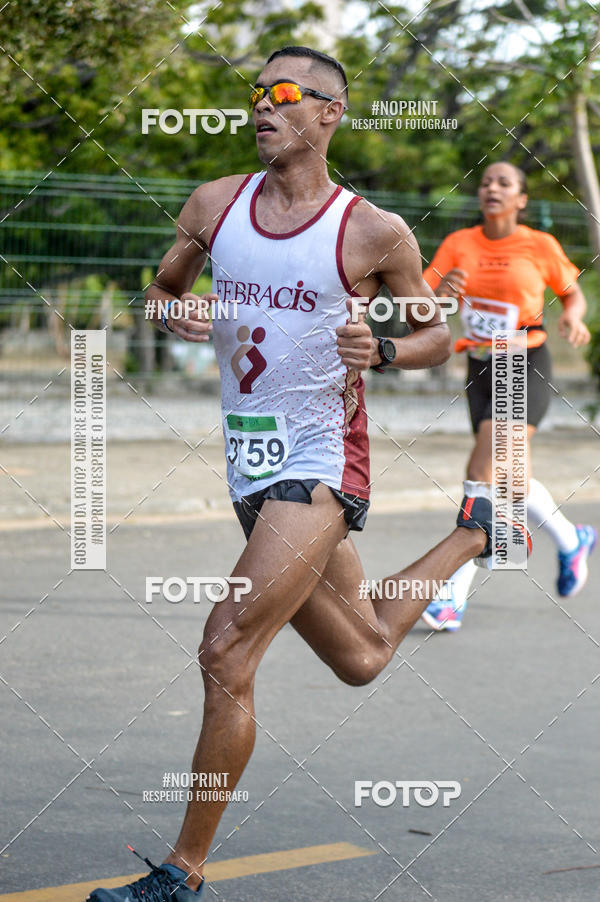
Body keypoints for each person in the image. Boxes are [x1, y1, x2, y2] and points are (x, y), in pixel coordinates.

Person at [87, 51, 529, 901]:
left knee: (225, 648)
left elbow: (436, 336)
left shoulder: (373, 231)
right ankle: (477, 529)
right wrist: (179, 310)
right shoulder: (214, 205)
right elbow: (162, 291)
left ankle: (183, 873)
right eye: (254, 94)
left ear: (330, 113)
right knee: (360, 656)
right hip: (248, 464)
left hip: (322, 464)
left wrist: (388, 349)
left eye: (283, 94)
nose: (261, 106)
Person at [420, 161, 596, 632]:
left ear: (521, 199)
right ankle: (571, 538)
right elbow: (423, 303)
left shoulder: (539, 245)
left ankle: (452, 596)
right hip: (479, 366)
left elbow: (572, 294)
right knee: (513, 485)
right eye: (485, 181)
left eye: (504, 183)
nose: (492, 188)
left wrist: (573, 317)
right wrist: (443, 297)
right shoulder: (459, 243)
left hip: (523, 362)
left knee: (480, 474)